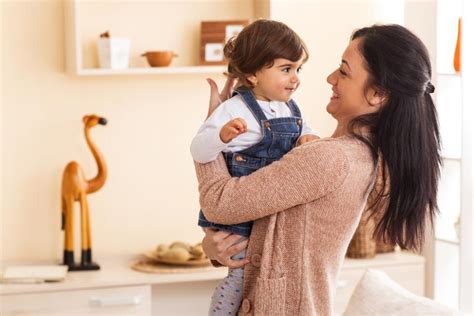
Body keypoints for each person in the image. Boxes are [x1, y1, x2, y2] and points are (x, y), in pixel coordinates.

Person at [195, 24, 441, 315]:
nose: (330, 78)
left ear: (377, 93)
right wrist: (218, 248)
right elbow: (270, 232)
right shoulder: (355, 155)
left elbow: (220, 204)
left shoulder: (329, 159)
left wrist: (211, 134)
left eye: (344, 71)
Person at [190, 19, 319, 315]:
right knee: (240, 276)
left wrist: (308, 139)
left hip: (269, 209)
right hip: (239, 216)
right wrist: (220, 137)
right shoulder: (232, 109)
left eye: (298, 69)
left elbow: (306, 134)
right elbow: (198, 149)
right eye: (286, 69)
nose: (295, 78)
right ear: (252, 73)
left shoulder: (291, 108)